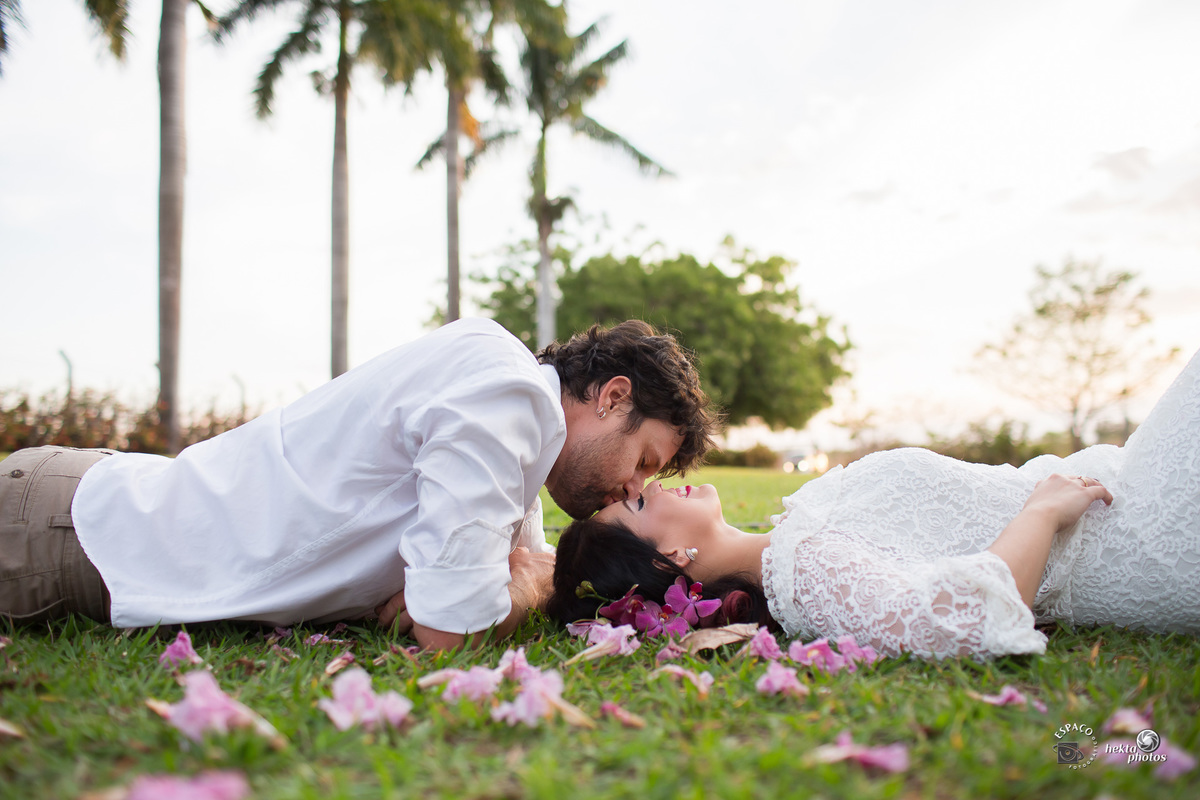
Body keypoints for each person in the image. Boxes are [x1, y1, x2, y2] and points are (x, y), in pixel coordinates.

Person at [0, 318, 719, 650]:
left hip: (82, 515)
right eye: (646, 463)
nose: (632, 489)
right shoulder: (506, 395)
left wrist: (503, 579)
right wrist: (519, 584)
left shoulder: (520, 465)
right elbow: (454, 623)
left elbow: (479, 583)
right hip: (60, 535)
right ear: (613, 397)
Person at [549, 349, 1200, 660]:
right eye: (636, 504)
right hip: (1142, 531)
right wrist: (1041, 513)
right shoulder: (805, 575)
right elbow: (955, 623)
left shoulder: (795, 542)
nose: (650, 485)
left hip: (1123, 488)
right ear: (674, 559)